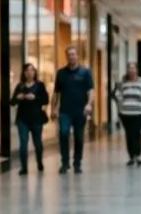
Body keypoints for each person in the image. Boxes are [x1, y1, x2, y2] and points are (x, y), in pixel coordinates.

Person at [51, 45, 94, 174]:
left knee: (79, 137)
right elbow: (56, 93)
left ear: (77, 56)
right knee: (63, 134)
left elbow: (91, 90)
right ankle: (65, 163)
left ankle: (77, 163)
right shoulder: (61, 73)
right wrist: (53, 109)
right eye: (69, 55)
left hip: (80, 111)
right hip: (65, 111)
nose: (71, 57)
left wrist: (89, 104)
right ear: (66, 57)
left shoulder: (85, 72)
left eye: (73, 54)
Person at [10, 63, 49, 175]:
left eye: (32, 70)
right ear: (24, 73)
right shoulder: (20, 86)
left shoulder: (40, 85)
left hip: (36, 118)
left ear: (35, 72)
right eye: (27, 70)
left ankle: (39, 162)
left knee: (37, 143)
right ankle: (24, 167)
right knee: (23, 143)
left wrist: (35, 97)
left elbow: (45, 100)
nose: (29, 72)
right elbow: (12, 102)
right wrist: (18, 98)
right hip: (22, 119)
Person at [114, 62, 141, 166]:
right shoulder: (123, 82)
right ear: (127, 70)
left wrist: (140, 97)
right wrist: (121, 101)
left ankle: (137, 155)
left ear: (137, 70)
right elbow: (117, 93)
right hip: (125, 113)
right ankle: (131, 156)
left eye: (133, 68)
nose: (132, 70)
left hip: (138, 113)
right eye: (130, 68)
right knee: (129, 134)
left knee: (136, 133)